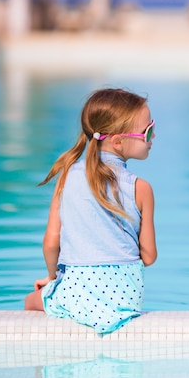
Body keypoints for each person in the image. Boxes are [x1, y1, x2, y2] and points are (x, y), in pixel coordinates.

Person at [24, 88, 157, 334]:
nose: (154, 135)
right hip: (126, 297)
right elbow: (148, 257)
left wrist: (53, 279)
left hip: (75, 291)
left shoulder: (66, 177)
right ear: (118, 141)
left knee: (30, 301)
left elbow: (51, 244)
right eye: (148, 131)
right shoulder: (141, 188)